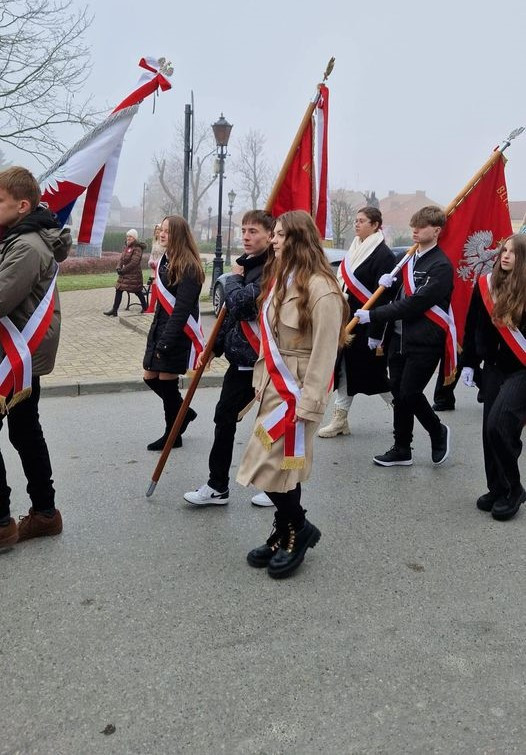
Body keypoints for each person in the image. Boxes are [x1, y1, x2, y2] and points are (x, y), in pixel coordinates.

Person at [236, 210, 348, 579]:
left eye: (280, 234)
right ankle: (287, 530)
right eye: (275, 234)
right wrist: (259, 375)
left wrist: (310, 401)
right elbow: (270, 339)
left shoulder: (322, 288)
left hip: (298, 391)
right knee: (277, 465)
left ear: (298, 238)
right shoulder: (282, 279)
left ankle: (297, 531)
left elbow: (325, 351)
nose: (274, 240)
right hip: (274, 386)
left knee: (273, 464)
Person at [184, 210, 275, 507]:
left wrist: (232, 277)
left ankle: (278, 487)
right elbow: (230, 318)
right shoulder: (247, 266)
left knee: (272, 425)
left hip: (268, 362)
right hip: (241, 361)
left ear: (270, 235)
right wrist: (213, 349)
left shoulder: (273, 270)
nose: (246, 236)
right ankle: (217, 486)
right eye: (244, 230)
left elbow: (239, 303)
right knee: (224, 417)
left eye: (253, 231)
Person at [0, 166, 71, 548]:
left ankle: (5, 521)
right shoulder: (16, 237)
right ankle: (45, 513)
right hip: (15, 354)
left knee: (25, 431)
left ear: (22, 205)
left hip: (14, 355)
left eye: (0, 201)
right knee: (26, 431)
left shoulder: (27, 246)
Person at [355, 205, 454, 467]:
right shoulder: (407, 258)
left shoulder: (441, 266)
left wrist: (373, 316)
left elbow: (415, 304)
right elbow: (397, 295)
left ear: (436, 230)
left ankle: (437, 430)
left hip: (424, 341)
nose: (415, 230)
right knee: (399, 393)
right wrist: (390, 283)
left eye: (421, 226)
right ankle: (402, 448)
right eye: (413, 226)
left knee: (410, 393)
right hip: (397, 338)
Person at [462, 234, 526, 521]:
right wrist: (469, 363)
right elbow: (473, 325)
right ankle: (497, 487)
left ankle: (513, 489)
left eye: (513, 252)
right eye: (504, 250)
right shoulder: (486, 284)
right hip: (494, 367)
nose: (505, 255)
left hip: (522, 369)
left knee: (501, 425)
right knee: (490, 430)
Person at [318, 206, 395, 438]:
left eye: (361, 221)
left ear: (375, 225)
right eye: (356, 220)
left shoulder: (384, 255)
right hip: (347, 320)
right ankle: (340, 420)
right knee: (344, 370)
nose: (356, 224)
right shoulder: (355, 248)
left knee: (374, 376)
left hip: (368, 325)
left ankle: (403, 408)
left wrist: (376, 333)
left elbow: (384, 299)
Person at [143, 215, 204, 451]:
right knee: (149, 377)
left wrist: (166, 341)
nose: (162, 234)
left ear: (178, 234)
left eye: (167, 231)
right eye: (161, 230)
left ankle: (172, 434)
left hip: (177, 334)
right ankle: (184, 413)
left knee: (167, 384)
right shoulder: (166, 259)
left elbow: (182, 309)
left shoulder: (189, 266)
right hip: (160, 328)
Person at [103, 229, 147, 315]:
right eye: (127, 236)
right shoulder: (126, 247)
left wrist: (123, 270)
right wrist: (118, 268)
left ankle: (145, 308)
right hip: (124, 274)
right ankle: (114, 310)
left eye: (130, 236)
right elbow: (121, 259)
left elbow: (134, 262)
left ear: (134, 238)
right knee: (118, 289)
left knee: (137, 291)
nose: (128, 238)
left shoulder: (137, 248)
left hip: (134, 275)